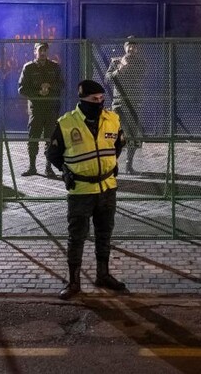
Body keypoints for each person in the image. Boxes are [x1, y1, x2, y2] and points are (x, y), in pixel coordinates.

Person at [46, 80, 127, 300]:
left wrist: (110, 163)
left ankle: (103, 275)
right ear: (82, 100)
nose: (99, 103)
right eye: (94, 99)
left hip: (107, 188)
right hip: (81, 190)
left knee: (104, 234)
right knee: (77, 237)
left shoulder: (112, 119)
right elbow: (52, 154)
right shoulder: (66, 123)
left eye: (102, 99)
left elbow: (118, 145)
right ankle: (74, 282)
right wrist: (65, 170)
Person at [18, 42, 64, 177]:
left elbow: (62, 85)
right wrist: (38, 92)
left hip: (51, 108)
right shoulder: (29, 67)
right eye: (40, 50)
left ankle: (48, 168)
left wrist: (50, 87)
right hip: (36, 109)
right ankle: (32, 167)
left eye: (45, 50)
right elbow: (21, 88)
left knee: (50, 138)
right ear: (35, 52)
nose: (43, 53)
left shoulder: (54, 67)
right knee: (33, 138)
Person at [105, 37, 145, 174]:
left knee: (133, 135)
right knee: (118, 134)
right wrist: (120, 68)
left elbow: (139, 76)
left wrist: (128, 66)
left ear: (137, 49)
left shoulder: (141, 62)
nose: (131, 49)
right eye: (129, 46)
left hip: (134, 103)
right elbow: (107, 78)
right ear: (125, 47)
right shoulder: (116, 62)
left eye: (134, 46)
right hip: (119, 103)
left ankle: (129, 165)